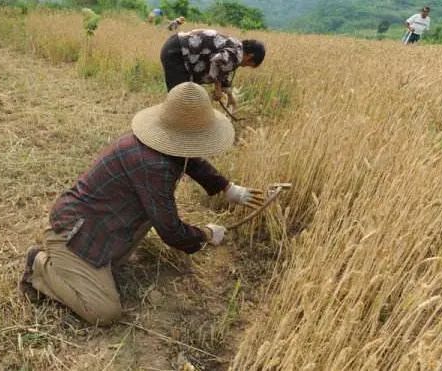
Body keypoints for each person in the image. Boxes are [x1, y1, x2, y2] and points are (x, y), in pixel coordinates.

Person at [19, 82, 266, 325]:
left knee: (119, 258)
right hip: (75, 231)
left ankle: (94, 266)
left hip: (104, 223)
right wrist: (206, 234)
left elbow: (190, 160)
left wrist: (227, 187)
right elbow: (170, 230)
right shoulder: (154, 166)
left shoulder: (161, 145)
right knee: (104, 312)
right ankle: (39, 266)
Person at [160, 29, 265, 110]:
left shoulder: (236, 47)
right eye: (248, 64)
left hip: (176, 47)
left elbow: (223, 70)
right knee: (180, 99)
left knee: (186, 97)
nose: (244, 66)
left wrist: (229, 95)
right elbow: (217, 60)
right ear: (250, 56)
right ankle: (163, 129)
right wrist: (218, 88)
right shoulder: (237, 55)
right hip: (177, 53)